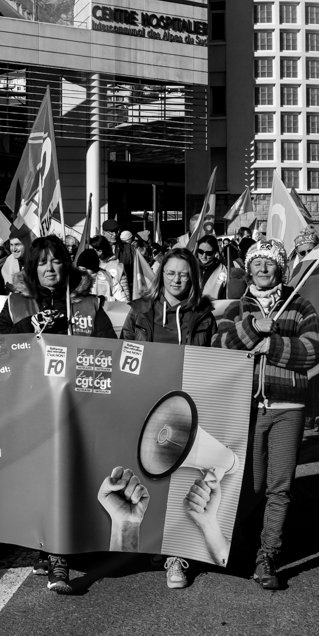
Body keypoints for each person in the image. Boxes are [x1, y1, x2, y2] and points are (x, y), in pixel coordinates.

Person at [0, 235, 116, 594]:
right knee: (40, 481)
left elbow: (110, 351)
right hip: (30, 406)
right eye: (42, 262)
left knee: (65, 477)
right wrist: (28, 328)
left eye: (56, 261)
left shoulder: (89, 305)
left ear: (67, 266)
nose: (49, 268)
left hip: (76, 406)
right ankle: (47, 547)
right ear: (32, 268)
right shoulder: (16, 305)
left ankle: (59, 560)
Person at [215, 237, 319, 591]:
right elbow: (221, 346)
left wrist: (272, 344)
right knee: (253, 485)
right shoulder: (236, 308)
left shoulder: (299, 305)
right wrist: (253, 330)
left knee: (280, 487)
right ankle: (236, 543)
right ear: (248, 269)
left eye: (270, 263)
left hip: (288, 407)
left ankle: (268, 556)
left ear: (281, 268)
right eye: (257, 263)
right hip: (245, 407)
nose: (263, 269)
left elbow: (312, 351)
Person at [117, 246, 218, 591]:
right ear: (161, 275)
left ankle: (177, 555)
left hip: (188, 405)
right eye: (171, 273)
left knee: (182, 477)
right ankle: (155, 540)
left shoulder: (203, 314)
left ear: (194, 278)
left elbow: (215, 356)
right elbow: (124, 352)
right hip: (146, 403)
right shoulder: (140, 310)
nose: (177, 279)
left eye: (184, 274)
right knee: (151, 475)